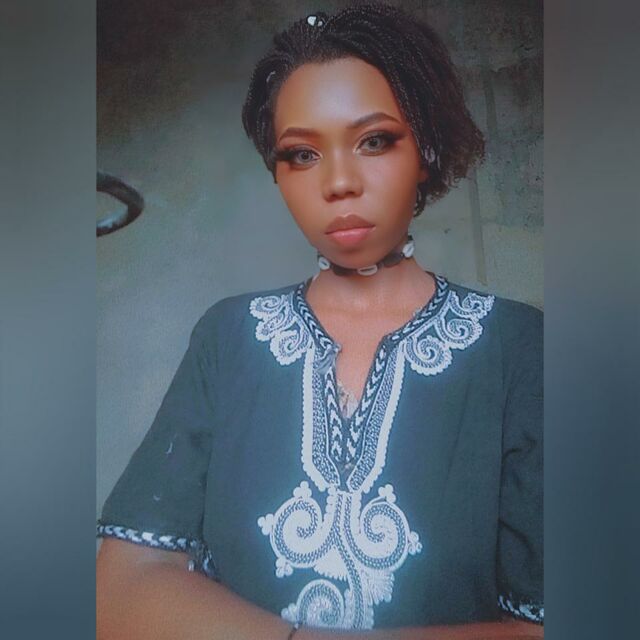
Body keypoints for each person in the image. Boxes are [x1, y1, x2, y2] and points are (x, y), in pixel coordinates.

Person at [96, 4, 543, 639]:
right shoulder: (229, 337)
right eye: (302, 154)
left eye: (375, 140)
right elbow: (121, 588)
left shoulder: (522, 347)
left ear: (426, 149)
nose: (338, 182)